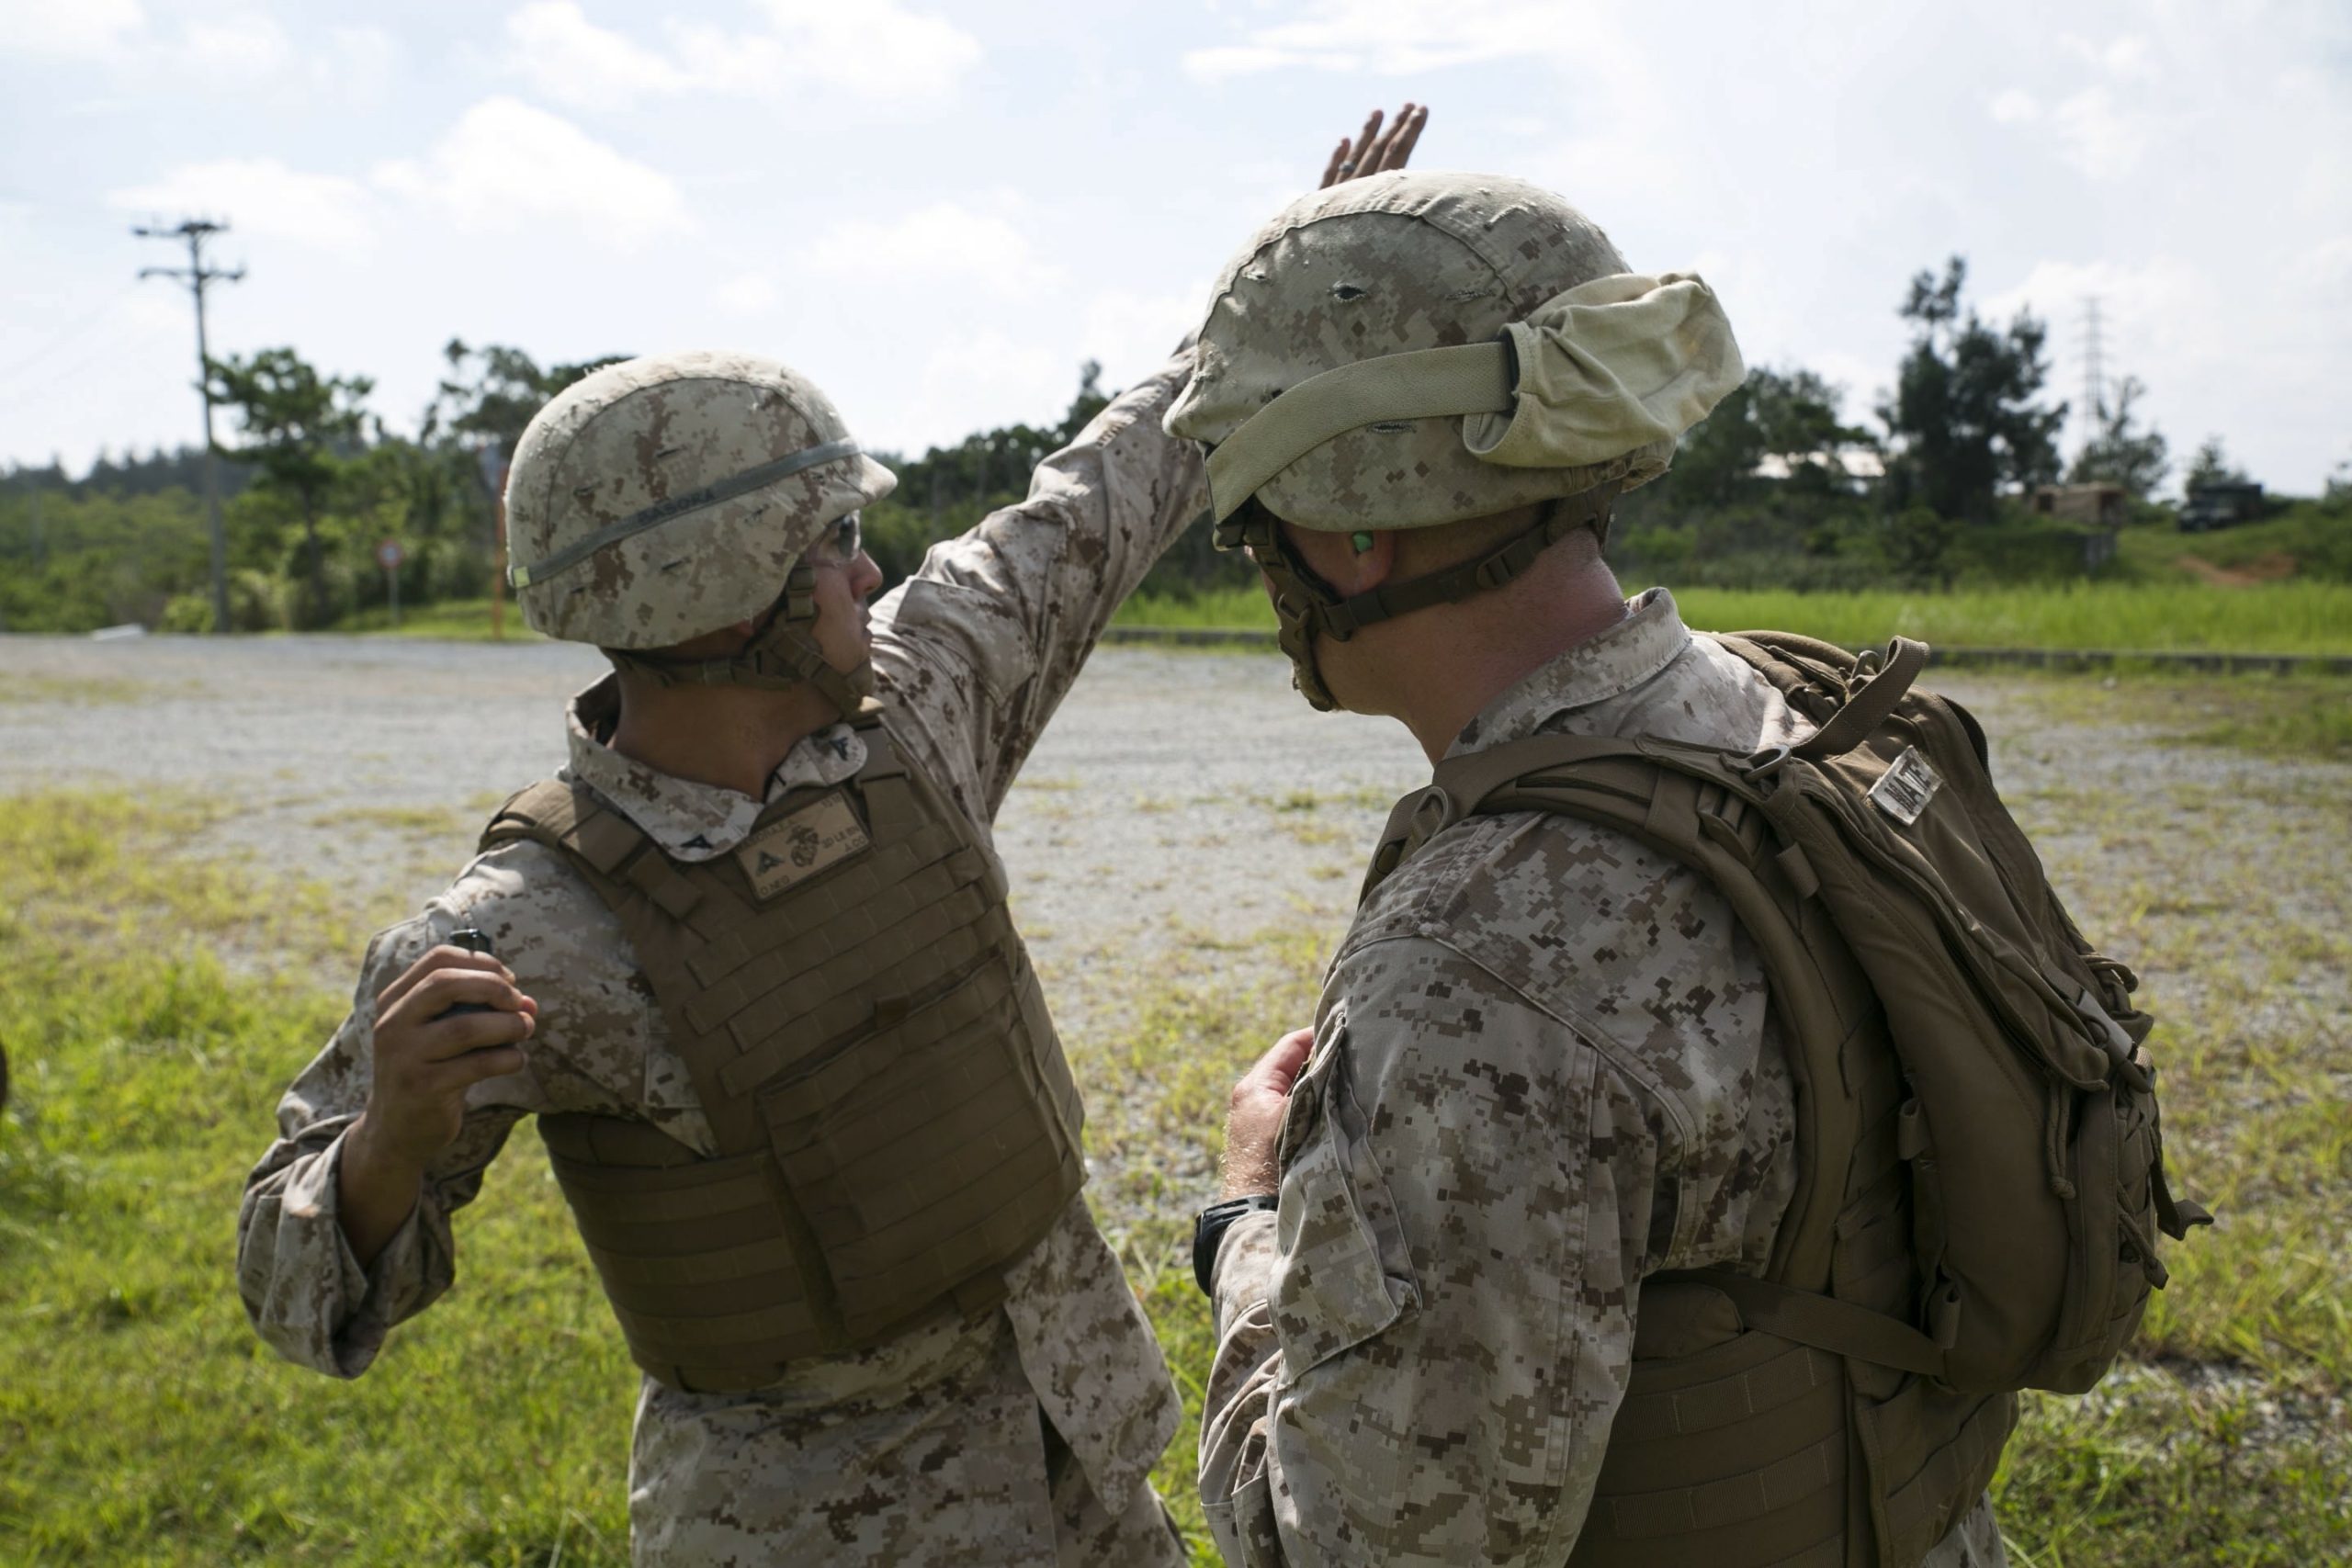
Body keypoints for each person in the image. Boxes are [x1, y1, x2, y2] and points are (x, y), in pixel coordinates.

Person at [233, 110, 1426, 1566]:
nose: (870, 568)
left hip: (1089, 1487)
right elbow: (294, 1291)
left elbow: (1101, 500)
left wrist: (1275, 299)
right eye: (827, 549)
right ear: (728, 592)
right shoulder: (524, 935)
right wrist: (387, 1145)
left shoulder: (916, 709)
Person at [1165, 172, 2014, 1566]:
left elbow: (1362, 1550)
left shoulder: (1476, 969)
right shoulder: (1785, 715)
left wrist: (1248, 1225)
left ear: (1350, 527)